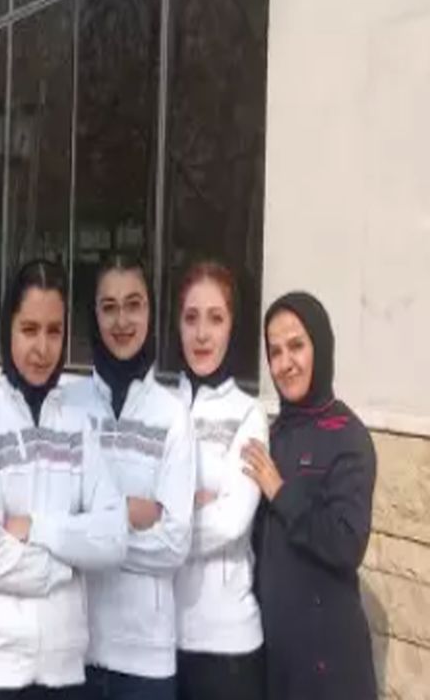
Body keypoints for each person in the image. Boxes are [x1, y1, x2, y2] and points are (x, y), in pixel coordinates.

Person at [0, 261, 128, 699]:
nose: (42, 348)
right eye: (29, 329)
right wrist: (68, 564)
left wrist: (37, 529)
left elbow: (114, 537)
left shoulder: (78, 426)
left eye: (54, 331)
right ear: (8, 330)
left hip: (65, 670)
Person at [59, 254, 195, 700]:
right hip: (72, 652)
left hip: (146, 662)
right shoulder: (68, 406)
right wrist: (129, 515)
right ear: (93, 315)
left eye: (134, 304)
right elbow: (52, 517)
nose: (122, 321)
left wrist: (90, 530)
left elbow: (174, 544)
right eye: (109, 306)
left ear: (151, 311)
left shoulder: (173, 415)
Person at [245, 292, 378, 700]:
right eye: (275, 351)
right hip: (275, 659)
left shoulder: (348, 436)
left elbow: (346, 542)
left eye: (297, 346)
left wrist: (281, 492)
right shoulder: (273, 433)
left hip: (328, 668)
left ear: (320, 345)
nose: (285, 363)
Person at [171, 262, 267, 700]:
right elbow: (126, 508)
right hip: (163, 642)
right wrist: (195, 502)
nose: (202, 334)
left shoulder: (249, 414)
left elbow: (231, 523)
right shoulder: (160, 409)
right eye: (191, 318)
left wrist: (164, 513)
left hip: (229, 650)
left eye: (216, 318)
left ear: (232, 327)